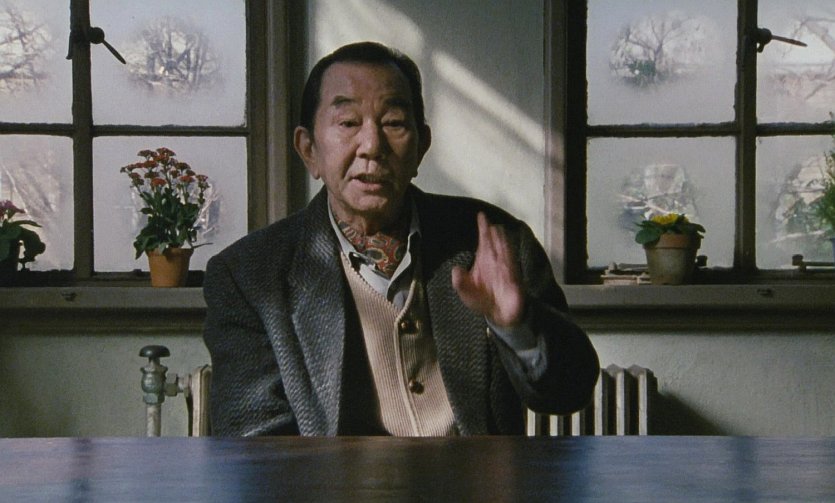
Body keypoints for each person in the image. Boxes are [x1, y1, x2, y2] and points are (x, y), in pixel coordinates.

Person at [202, 41, 599, 436]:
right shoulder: (249, 276)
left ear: (422, 145)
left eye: (393, 122)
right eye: (348, 123)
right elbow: (253, 441)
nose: (372, 146)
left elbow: (570, 392)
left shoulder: (494, 243)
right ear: (309, 150)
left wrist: (517, 326)